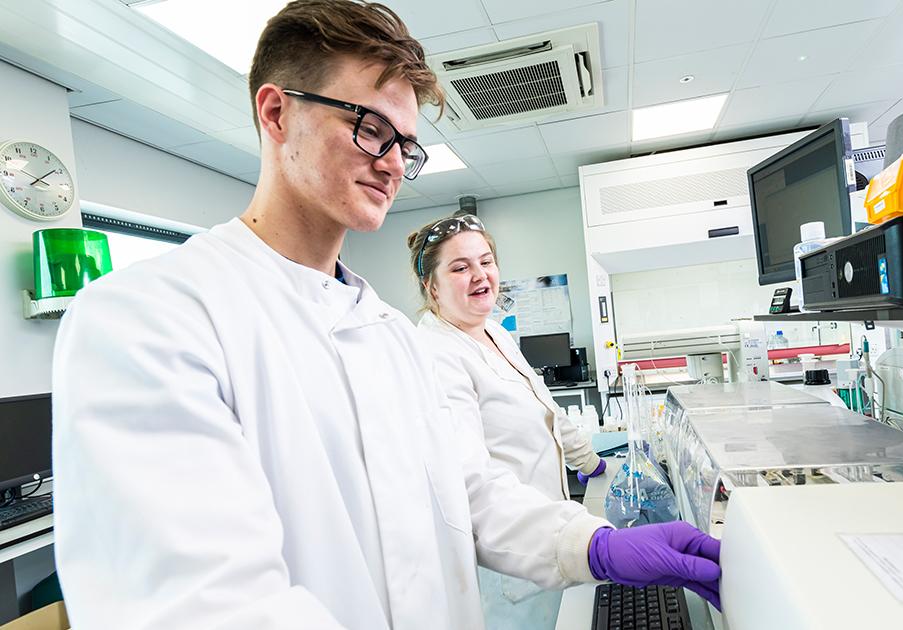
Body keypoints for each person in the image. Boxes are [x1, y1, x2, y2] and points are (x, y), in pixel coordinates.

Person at [50, 2, 721, 629]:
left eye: (406, 142)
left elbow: (467, 489)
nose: (395, 163)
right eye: (370, 128)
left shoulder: (389, 336)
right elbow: (208, 609)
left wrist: (592, 546)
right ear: (277, 113)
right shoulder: (150, 318)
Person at [407, 214, 609, 629]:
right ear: (431, 285)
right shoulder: (434, 355)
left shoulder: (494, 331)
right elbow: (471, 484)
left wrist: (591, 463)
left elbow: (545, 406)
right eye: (460, 268)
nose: (480, 276)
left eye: (486, 261)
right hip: (508, 561)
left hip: (548, 533)